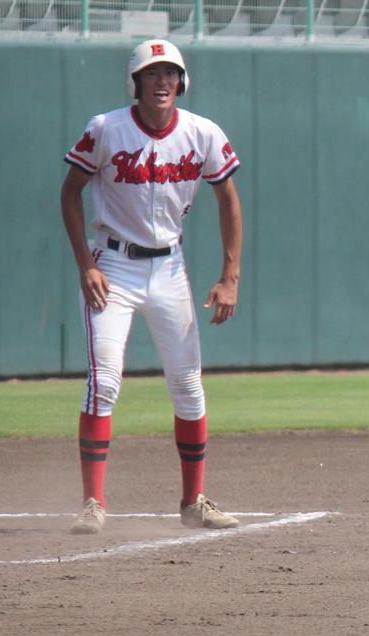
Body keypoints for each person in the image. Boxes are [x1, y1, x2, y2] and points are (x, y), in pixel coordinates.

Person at [60, 39, 242, 535]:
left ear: (182, 82)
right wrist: (85, 265)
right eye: (151, 73)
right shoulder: (107, 128)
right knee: (106, 381)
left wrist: (230, 277)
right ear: (135, 81)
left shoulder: (202, 133)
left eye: (170, 73)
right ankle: (93, 503)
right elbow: (70, 193)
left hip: (169, 270)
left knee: (187, 386)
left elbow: (228, 199)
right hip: (112, 268)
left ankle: (193, 502)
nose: (162, 81)